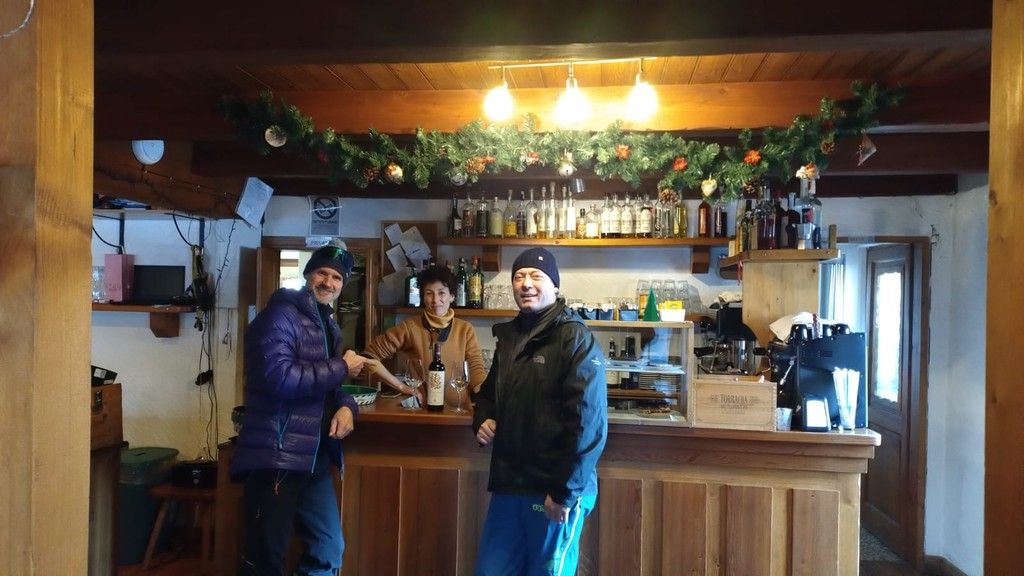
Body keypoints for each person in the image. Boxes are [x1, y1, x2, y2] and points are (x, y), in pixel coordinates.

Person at [231, 243, 368, 576]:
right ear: (308, 274)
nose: (328, 282)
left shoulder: (328, 323)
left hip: (314, 457)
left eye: (337, 277)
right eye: (322, 273)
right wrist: (342, 367)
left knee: (329, 549)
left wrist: (347, 406)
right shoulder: (280, 315)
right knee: (266, 558)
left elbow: (330, 388)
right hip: (277, 456)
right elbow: (279, 378)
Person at [472, 247, 608, 576]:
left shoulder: (574, 337)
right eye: (519, 276)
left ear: (555, 287)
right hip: (510, 484)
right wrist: (483, 418)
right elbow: (488, 394)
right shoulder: (510, 337)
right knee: (491, 571)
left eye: (536, 276)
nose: (526, 284)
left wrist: (564, 492)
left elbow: (588, 423)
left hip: (553, 488)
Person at [363, 265, 486, 400]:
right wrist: (401, 386)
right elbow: (369, 356)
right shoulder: (410, 327)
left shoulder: (465, 329)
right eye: (429, 293)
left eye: (441, 293)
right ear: (423, 297)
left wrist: (486, 396)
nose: (435, 300)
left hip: (458, 409)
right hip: (422, 409)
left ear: (452, 296)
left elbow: (475, 368)